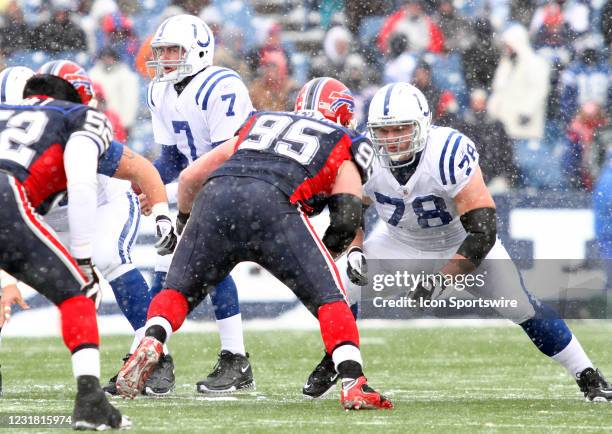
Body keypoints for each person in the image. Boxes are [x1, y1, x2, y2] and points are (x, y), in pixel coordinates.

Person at [306, 81, 612, 402]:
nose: (391, 139)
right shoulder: (363, 156)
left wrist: (444, 278)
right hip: (400, 243)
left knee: (520, 306)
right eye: (383, 131)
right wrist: (355, 249)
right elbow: (350, 214)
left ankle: (587, 374)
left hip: (460, 241)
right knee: (339, 288)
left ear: (424, 124)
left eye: (400, 128)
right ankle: (339, 359)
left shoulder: (447, 153)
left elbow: (483, 230)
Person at [116, 79, 394, 411]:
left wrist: (185, 222)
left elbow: (190, 178)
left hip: (216, 199)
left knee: (177, 291)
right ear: (344, 115)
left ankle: (153, 340)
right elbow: (347, 218)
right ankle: (353, 380)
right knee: (330, 298)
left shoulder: (261, 122)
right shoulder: (344, 140)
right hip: (273, 208)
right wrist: (325, 253)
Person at [0, 63, 179, 398]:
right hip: (46, 214)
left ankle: (154, 354)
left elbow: (140, 171)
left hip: (100, 204)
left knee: (106, 256)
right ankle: (91, 392)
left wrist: (160, 215)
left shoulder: (72, 127)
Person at [119, 14, 255, 395]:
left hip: (237, 183)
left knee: (206, 263)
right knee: (166, 270)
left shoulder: (221, 85)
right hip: (198, 188)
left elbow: (227, 157)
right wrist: (147, 183)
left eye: (173, 51)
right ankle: (154, 360)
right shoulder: (160, 91)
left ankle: (221, 359)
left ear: (198, 51)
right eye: (160, 51)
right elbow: (173, 160)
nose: (164, 59)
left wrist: (172, 190)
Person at [0, 72, 130, 429]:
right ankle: (89, 400)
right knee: (79, 292)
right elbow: (83, 183)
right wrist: (84, 257)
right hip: (6, 195)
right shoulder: (77, 115)